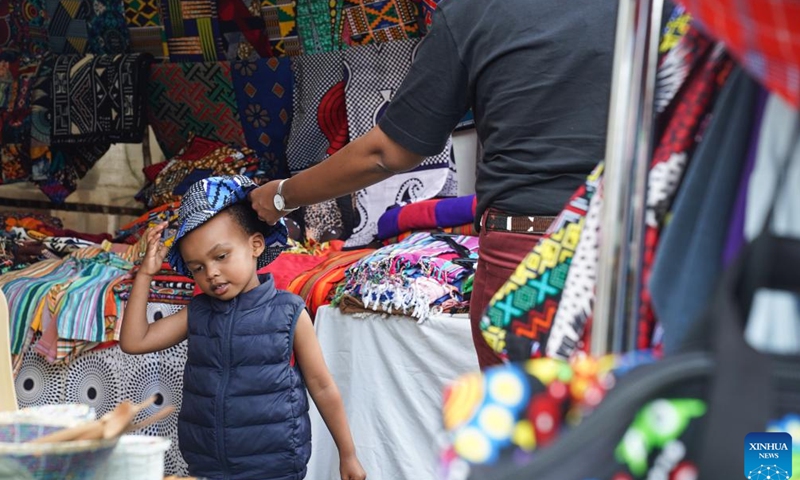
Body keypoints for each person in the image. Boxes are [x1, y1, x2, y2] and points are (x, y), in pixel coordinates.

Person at [249, 0, 617, 368]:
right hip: (634, 242)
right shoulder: (656, 10)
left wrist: (282, 195)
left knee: (530, 417)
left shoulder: (478, 11)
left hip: (526, 259)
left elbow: (386, 152)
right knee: (647, 414)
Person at [120, 175, 366, 480]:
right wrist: (146, 274)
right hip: (208, 466)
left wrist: (348, 454)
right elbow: (134, 341)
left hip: (275, 468)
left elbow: (323, 386)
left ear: (256, 245)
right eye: (197, 267)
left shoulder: (288, 312)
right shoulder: (197, 313)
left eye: (221, 257)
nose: (211, 273)